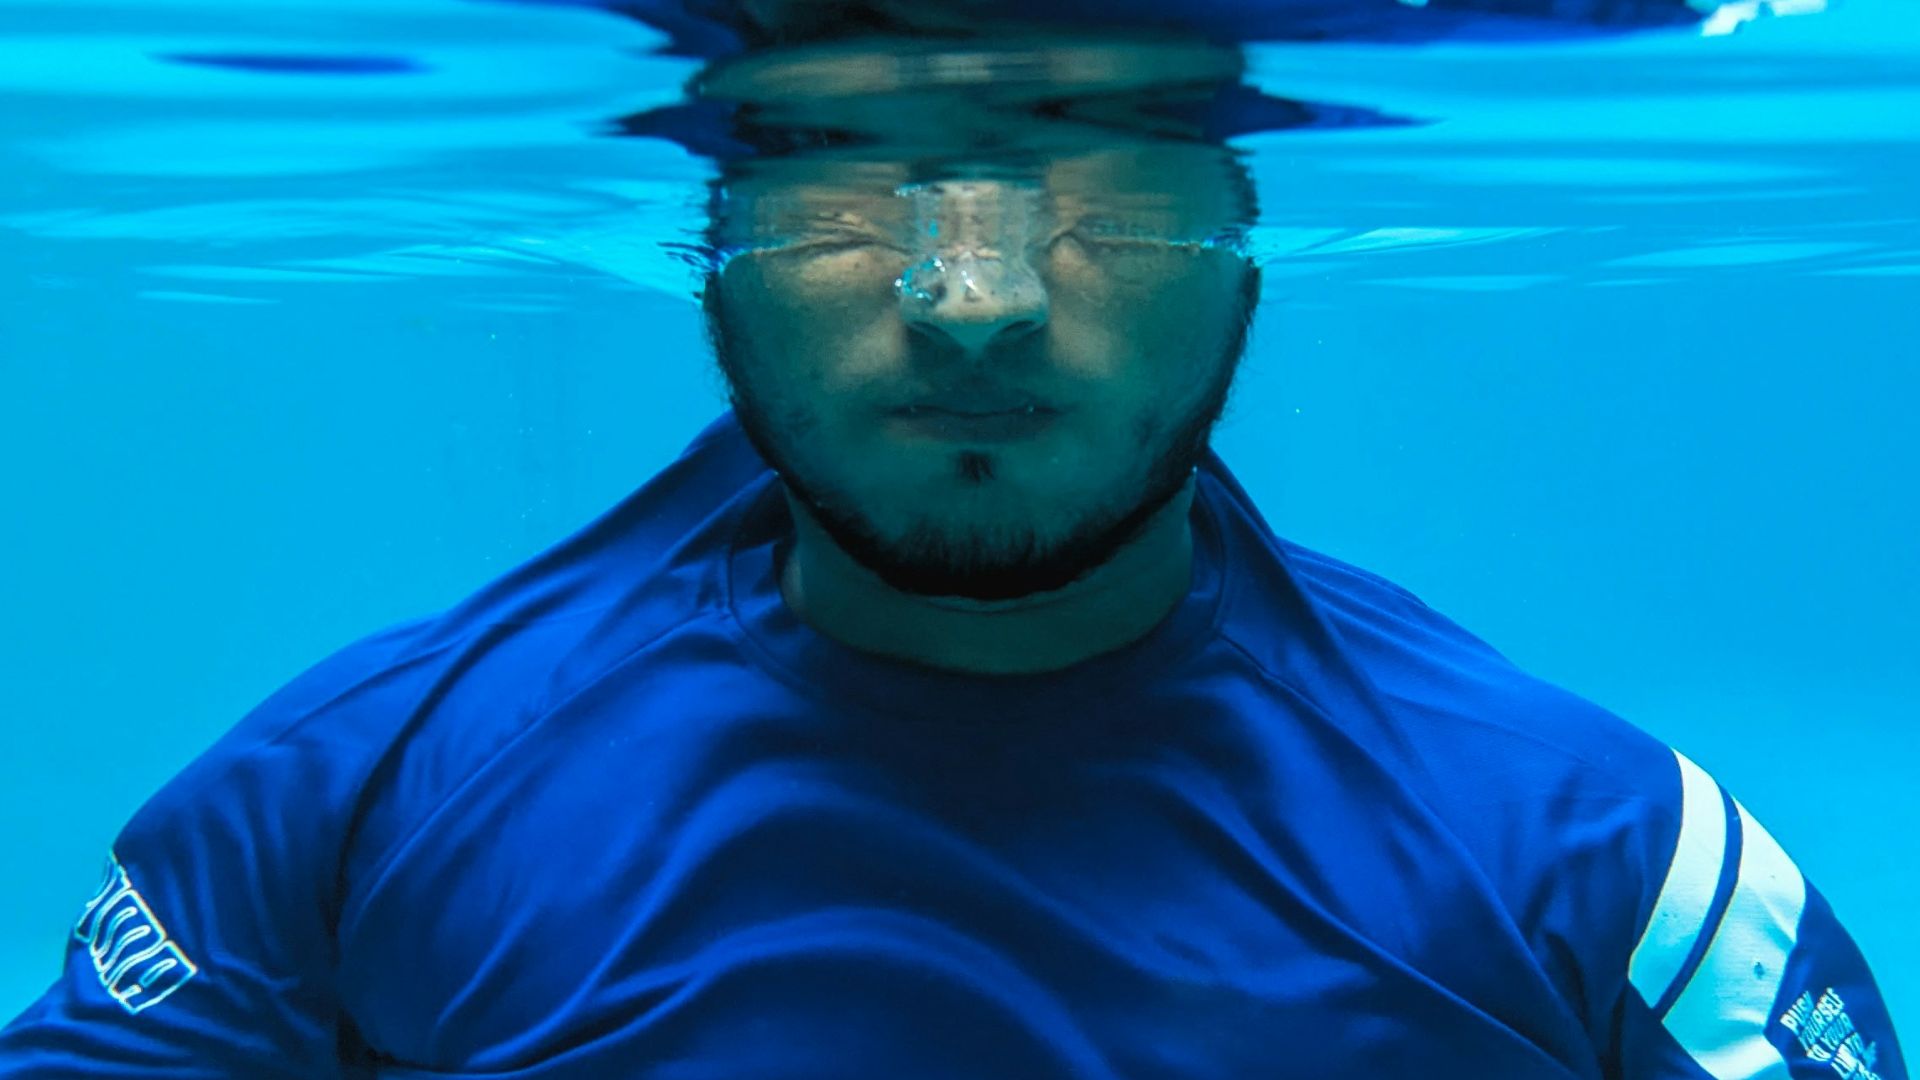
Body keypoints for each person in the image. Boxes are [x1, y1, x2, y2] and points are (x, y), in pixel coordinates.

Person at [1, 24, 1905, 1080]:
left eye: (1083, 123)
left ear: (1248, 206)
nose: (971, 295)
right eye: (848, 140)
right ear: (717, 210)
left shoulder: (1616, 875)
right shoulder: (338, 817)